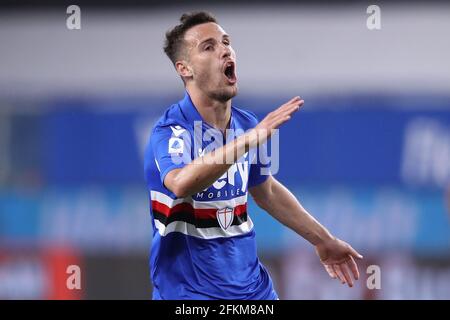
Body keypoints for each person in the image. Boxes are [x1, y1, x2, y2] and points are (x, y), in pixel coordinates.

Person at [144, 11, 363, 300]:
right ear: (185, 69)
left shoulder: (246, 124)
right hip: (189, 295)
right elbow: (182, 182)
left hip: (253, 293)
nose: (224, 49)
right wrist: (250, 139)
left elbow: (267, 191)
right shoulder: (171, 131)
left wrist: (324, 240)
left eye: (226, 42)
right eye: (208, 47)